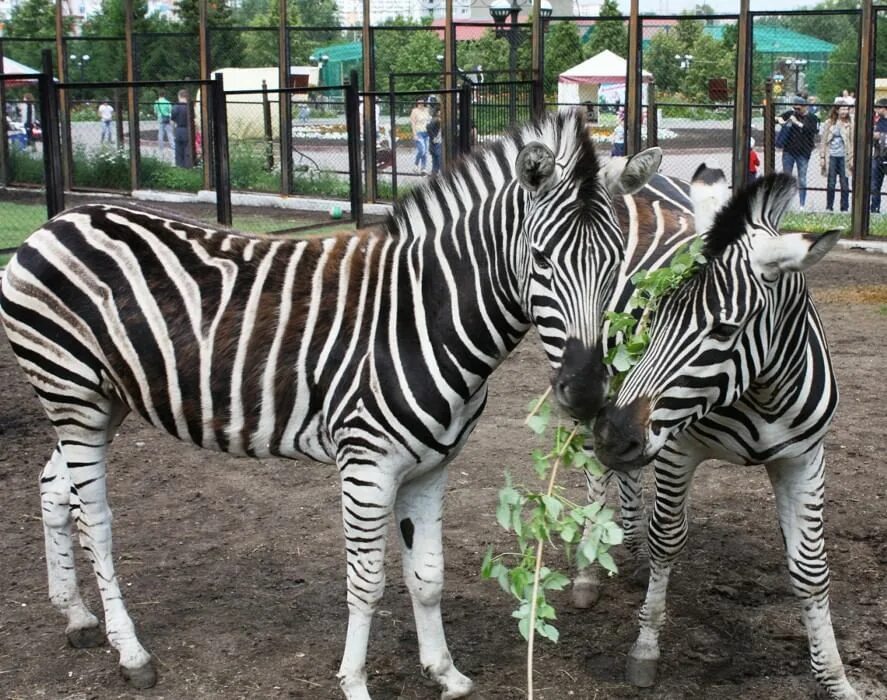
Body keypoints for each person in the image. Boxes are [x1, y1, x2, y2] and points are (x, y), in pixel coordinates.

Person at [777, 95, 819, 208]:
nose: (796, 110)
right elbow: (777, 118)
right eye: (794, 108)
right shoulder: (790, 114)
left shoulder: (812, 117)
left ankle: (802, 204)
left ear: (805, 107)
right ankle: (785, 203)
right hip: (789, 151)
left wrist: (797, 123)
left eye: (798, 108)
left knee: (802, 178)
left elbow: (812, 130)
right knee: (787, 178)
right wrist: (781, 120)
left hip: (803, 152)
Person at [819, 99, 854, 212]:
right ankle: (829, 207)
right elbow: (823, 141)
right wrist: (822, 157)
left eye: (846, 109)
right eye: (842, 109)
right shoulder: (829, 123)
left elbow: (853, 141)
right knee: (831, 183)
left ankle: (844, 208)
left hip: (845, 156)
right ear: (837, 110)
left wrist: (852, 158)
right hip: (832, 156)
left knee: (844, 184)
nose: (845, 111)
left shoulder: (851, 123)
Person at [871, 98, 887, 213]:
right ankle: (875, 208)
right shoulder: (879, 120)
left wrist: (880, 135)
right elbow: (874, 135)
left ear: (884, 108)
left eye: (878, 107)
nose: (876, 110)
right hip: (878, 156)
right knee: (875, 184)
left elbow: (877, 135)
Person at [171, 89, 192, 168]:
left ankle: (179, 167)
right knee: (187, 150)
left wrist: (173, 132)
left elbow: (172, 122)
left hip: (179, 129)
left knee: (178, 151)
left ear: (179, 96)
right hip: (188, 130)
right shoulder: (190, 107)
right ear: (187, 97)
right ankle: (188, 167)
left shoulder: (175, 107)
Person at [409, 97, 430, 174]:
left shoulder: (427, 110)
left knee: (425, 152)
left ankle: (423, 168)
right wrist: (414, 134)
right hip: (419, 132)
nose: (421, 104)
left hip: (426, 133)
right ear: (417, 103)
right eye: (419, 102)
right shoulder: (414, 111)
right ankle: (416, 164)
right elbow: (413, 123)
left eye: (422, 102)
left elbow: (429, 121)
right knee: (422, 150)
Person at [427, 103, 442, 175]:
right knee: (438, 157)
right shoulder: (436, 119)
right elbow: (428, 127)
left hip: (435, 142)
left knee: (435, 158)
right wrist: (434, 137)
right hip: (437, 141)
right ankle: (439, 172)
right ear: (438, 112)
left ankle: (434, 172)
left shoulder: (435, 119)